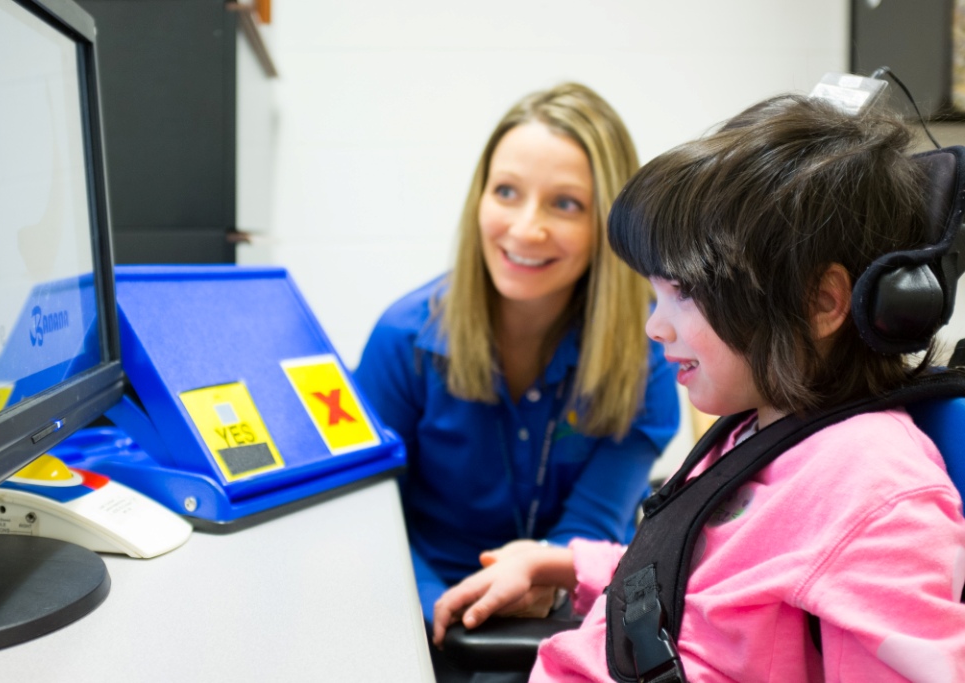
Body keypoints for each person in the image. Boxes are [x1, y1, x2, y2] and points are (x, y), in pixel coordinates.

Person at [431, 94, 965, 681]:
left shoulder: (873, 488)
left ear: (821, 302)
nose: (654, 326)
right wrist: (563, 564)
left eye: (684, 291)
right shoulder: (764, 430)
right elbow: (698, 581)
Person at [354, 82, 680, 631]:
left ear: (608, 223)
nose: (527, 228)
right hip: (418, 606)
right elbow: (369, 518)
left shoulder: (647, 347)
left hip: (567, 608)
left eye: (566, 203)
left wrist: (543, 587)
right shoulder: (403, 340)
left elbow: (595, 523)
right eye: (506, 192)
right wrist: (435, 604)